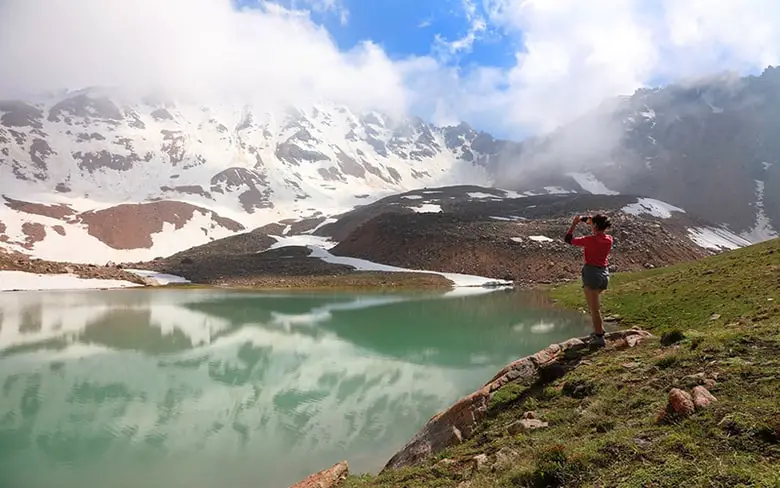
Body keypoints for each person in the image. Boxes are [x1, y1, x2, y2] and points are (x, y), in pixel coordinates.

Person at [564, 214, 613, 347]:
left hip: (591, 274)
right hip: (604, 274)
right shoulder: (609, 239)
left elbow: (568, 239)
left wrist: (574, 224)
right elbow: (596, 227)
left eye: (593, 224)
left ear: (596, 226)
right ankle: (600, 330)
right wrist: (587, 220)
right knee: (595, 306)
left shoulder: (589, 240)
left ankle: (599, 338)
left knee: (594, 309)